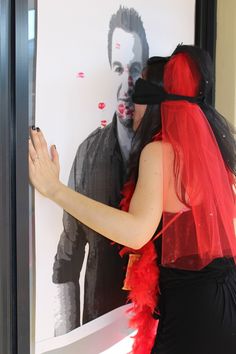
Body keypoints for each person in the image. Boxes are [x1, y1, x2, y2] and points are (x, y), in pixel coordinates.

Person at [29, 44, 236, 354]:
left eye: (138, 99)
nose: (131, 108)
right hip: (226, 301)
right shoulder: (211, 151)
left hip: (193, 315)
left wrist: (55, 189)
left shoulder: (159, 152)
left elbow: (136, 231)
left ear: (156, 105)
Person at [51, 6, 149, 334]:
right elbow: (67, 258)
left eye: (135, 69)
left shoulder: (164, 154)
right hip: (97, 328)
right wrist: (66, 341)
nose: (127, 82)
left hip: (156, 331)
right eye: (119, 68)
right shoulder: (87, 153)